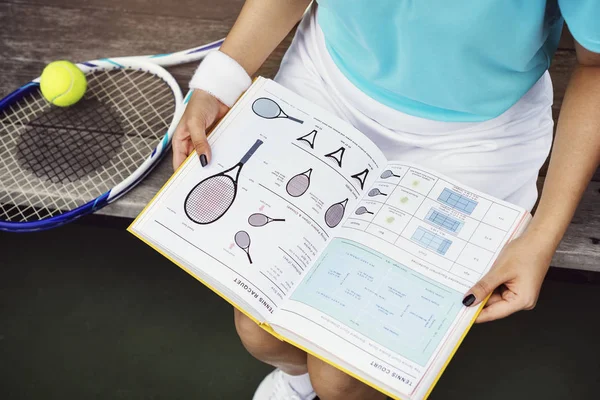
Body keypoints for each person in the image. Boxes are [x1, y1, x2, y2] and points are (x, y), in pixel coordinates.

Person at [172, 1, 600, 399]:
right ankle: (297, 382)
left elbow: (596, 66)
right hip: (326, 82)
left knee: (339, 380)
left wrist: (542, 237)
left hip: (476, 140)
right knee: (257, 328)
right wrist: (218, 84)